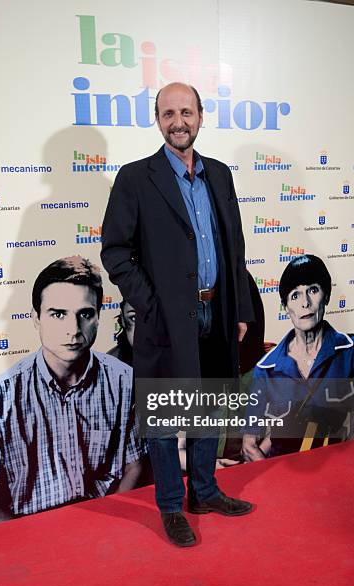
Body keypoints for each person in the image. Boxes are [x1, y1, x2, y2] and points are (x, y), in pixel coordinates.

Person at [101, 82, 255, 547]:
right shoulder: (135, 177)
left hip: (217, 314)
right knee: (166, 420)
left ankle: (203, 491)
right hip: (164, 322)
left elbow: (235, 251)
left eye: (186, 111)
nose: (178, 121)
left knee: (208, 410)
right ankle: (171, 505)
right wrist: (151, 307)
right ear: (157, 119)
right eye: (168, 113)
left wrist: (240, 308)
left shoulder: (221, 175)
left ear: (201, 116)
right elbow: (115, 252)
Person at [0, 256, 147, 526]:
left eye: (85, 314)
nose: (73, 330)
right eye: (58, 314)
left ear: (98, 317)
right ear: (36, 319)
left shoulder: (124, 381)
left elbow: (134, 466)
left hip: (107, 524)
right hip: (28, 532)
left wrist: (111, 527)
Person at [241, 254, 354, 461]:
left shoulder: (350, 350)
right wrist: (278, 482)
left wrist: (338, 470)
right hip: (283, 471)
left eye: (313, 290)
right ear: (285, 307)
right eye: (295, 295)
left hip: (331, 466)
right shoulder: (266, 368)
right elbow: (249, 446)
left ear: (327, 296)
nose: (305, 303)